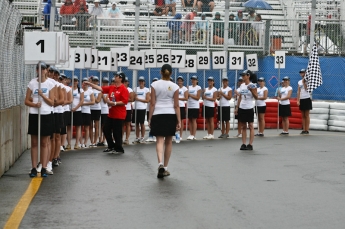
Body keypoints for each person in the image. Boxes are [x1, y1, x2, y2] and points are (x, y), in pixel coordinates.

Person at [149, 64, 180, 178]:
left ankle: (160, 163)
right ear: (171, 73)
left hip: (158, 113)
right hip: (170, 114)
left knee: (159, 141)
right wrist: (179, 120)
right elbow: (176, 105)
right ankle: (165, 167)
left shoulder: (154, 84)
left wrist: (150, 117)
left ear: (160, 72)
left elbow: (152, 103)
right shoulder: (175, 86)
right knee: (169, 141)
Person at [85, 72, 129, 153]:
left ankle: (119, 148)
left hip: (119, 114)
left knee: (116, 132)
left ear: (120, 78)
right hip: (111, 113)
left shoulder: (124, 89)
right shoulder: (112, 87)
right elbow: (100, 88)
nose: (115, 77)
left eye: (116, 76)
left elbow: (124, 101)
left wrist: (114, 103)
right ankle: (111, 146)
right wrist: (89, 84)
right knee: (106, 129)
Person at [25, 62, 55, 177]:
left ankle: (43, 167)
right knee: (34, 142)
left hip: (46, 114)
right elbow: (26, 100)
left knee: (44, 142)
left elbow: (52, 102)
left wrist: (43, 96)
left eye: (43, 69)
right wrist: (34, 105)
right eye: (39, 69)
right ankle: (33, 167)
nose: (41, 71)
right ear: (36, 70)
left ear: (46, 71)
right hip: (34, 114)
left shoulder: (50, 84)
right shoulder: (32, 83)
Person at [235, 70, 258, 150]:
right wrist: (237, 108)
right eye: (242, 75)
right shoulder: (242, 86)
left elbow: (256, 97)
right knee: (243, 126)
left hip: (249, 107)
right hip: (242, 107)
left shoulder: (253, 85)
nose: (243, 77)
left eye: (244, 75)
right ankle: (243, 143)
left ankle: (250, 144)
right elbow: (240, 97)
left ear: (248, 76)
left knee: (250, 126)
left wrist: (252, 90)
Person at [132, 76, 150, 143]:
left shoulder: (146, 90)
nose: (141, 82)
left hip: (142, 108)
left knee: (142, 123)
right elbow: (133, 98)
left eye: (142, 81)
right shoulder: (135, 89)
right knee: (136, 123)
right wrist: (134, 97)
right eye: (140, 81)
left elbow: (147, 100)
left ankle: (142, 137)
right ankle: (137, 137)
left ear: (144, 82)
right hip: (135, 108)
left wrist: (138, 99)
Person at [79, 77, 95, 148]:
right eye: (83, 83)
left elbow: (93, 101)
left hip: (87, 111)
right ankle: (80, 142)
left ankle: (85, 142)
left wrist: (84, 103)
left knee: (86, 128)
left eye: (86, 83)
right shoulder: (80, 91)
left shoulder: (90, 91)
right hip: (80, 111)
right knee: (80, 127)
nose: (85, 84)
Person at [70, 76, 84, 149]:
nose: (75, 82)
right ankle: (69, 144)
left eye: (76, 81)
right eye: (73, 81)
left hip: (77, 110)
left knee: (78, 127)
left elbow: (81, 101)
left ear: (78, 82)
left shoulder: (80, 90)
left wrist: (76, 108)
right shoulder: (69, 89)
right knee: (69, 127)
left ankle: (76, 143)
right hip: (70, 110)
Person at [297, 69, 312, 135]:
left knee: (306, 115)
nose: (302, 74)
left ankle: (307, 129)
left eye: (303, 72)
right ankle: (304, 129)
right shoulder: (299, 82)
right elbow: (299, 91)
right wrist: (298, 100)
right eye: (301, 73)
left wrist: (304, 82)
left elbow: (307, 89)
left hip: (307, 98)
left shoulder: (308, 81)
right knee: (302, 115)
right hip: (302, 99)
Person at [187, 75, 201, 140]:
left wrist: (190, 95)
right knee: (190, 120)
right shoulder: (188, 87)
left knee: (194, 120)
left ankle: (194, 134)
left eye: (194, 79)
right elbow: (186, 96)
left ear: (197, 81)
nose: (193, 81)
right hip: (189, 105)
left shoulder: (198, 88)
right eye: (192, 79)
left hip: (195, 106)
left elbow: (197, 98)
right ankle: (190, 134)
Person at [90, 76, 102, 147]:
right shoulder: (89, 89)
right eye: (94, 81)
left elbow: (98, 101)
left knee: (96, 126)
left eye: (96, 81)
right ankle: (91, 142)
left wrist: (92, 97)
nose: (95, 82)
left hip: (97, 109)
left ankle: (95, 141)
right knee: (90, 126)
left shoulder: (99, 90)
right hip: (90, 108)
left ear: (98, 82)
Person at [146, 78, 158, 143]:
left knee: (156, 123)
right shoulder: (149, 89)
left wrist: (152, 97)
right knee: (150, 123)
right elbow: (148, 99)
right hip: (149, 108)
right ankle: (150, 136)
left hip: (156, 109)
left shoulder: (158, 90)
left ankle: (157, 136)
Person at [123, 77, 134, 145]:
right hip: (121, 108)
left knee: (127, 124)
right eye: (123, 81)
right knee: (121, 124)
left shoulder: (130, 90)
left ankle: (127, 139)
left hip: (127, 108)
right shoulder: (120, 89)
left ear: (128, 82)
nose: (124, 83)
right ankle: (120, 138)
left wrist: (124, 100)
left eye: (126, 81)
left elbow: (132, 99)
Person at [177, 76, 188, 140]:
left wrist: (178, 98)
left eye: (181, 81)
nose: (179, 82)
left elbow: (186, 98)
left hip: (181, 106)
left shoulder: (184, 89)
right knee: (176, 121)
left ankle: (180, 135)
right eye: (178, 81)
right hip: (176, 106)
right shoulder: (176, 88)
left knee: (181, 120)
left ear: (182, 82)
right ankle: (176, 134)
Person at [99, 77, 109, 146]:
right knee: (100, 126)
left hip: (105, 110)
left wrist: (102, 95)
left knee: (104, 126)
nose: (105, 84)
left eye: (106, 82)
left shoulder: (108, 91)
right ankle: (100, 140)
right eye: (104, 82)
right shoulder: (100, 90)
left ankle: (104, 139)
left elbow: (105, 101)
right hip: (99, 109)